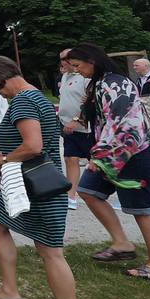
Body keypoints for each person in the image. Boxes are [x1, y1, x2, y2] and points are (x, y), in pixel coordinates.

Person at [0, 55, 85, 299]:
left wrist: (2, 158)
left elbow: (33, 146)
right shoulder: (37, 97)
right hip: (26, 183)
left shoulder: (23, 101)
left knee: (51, 252)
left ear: (4, 79)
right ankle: (9, 291)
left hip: (38, 186)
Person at [68, 43, 150, 281]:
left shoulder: (116, 82)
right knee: (89, 191)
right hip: (114, 153)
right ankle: (122, 244)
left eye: (77, 65)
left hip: (134, 155)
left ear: (92, 60)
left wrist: (102, 156)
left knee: (142, 209)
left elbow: (124, 122)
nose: (76, 70)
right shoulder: (100, 83)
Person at [56, 49, 91, 211]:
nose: (63, 61)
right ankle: (71, 196)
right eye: (61, 59)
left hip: (86, 128)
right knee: (70, 159)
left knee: (99, 162)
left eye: (66, 58)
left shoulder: (86, 77)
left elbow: (90, 103)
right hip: (68, 126)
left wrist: (76, 120)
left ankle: (119, 190)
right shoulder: (64, 77)